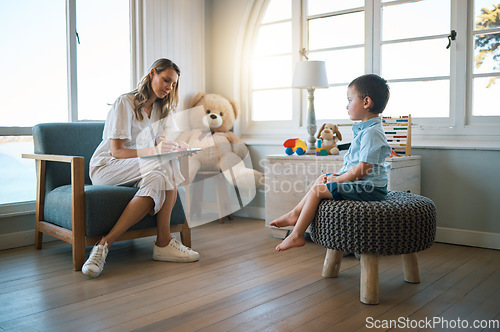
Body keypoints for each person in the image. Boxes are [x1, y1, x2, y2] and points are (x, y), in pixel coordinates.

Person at [82, 58, 199, 278]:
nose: (169, 87)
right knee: (166, 163)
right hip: (108, 167)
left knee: (162, 172)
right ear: (152, 73)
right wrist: (158, 151)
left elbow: (163, 144)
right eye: (166, 80)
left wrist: (179, 147)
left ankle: (106, 244)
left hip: (139, 168)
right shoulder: (124, 103)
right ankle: (161, 242)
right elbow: (117, 152)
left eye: (173, 84)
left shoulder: (161, 109)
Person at [270, 74, 392, 251]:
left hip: (370, 189)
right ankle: (295, 214)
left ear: (366, 102)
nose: (347, 105)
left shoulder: (372, 132)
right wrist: (337, 176)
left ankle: (297, 234)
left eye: (350, 100)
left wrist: (339, 180)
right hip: (361, 184)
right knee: (322, 178)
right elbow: (356, 166)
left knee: (320, 189)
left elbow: (363, 169)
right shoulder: (366, 130)